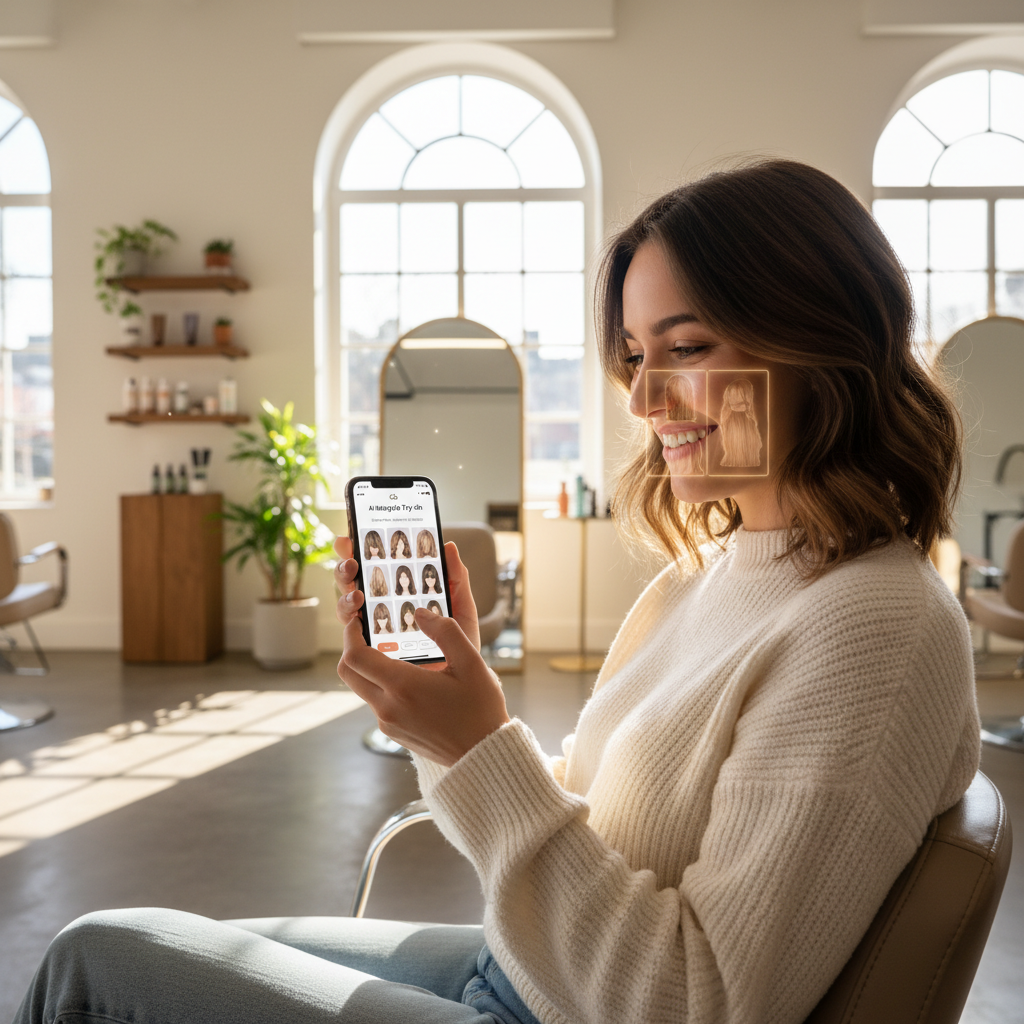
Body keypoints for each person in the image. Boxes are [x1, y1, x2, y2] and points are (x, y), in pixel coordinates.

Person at [14, 159, 980, 1024]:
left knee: (98, 961)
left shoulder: (873, 627)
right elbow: (598, 830)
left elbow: (700, 1003)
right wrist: (455, 724)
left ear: (821, 342)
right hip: (528, 972)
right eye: (635, 357)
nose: (643, 402)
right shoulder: (719, 572)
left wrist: (478, 744)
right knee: (161, 947)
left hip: (556, 1006)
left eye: (685, 349)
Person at [717, 377, 762, 468]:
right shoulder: (728, 417)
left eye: (741, 403)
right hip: (734, 421)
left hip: (744, 422)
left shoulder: (751, 419)